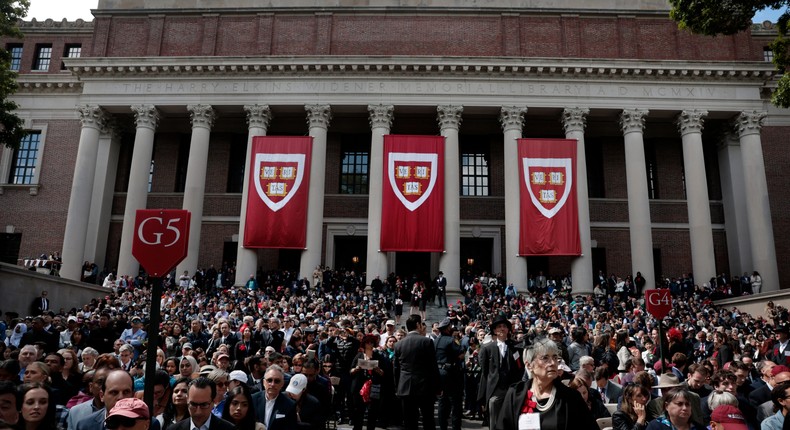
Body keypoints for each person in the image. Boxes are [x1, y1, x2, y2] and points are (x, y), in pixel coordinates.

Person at [497, 337, 596, 430]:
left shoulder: (570, 398)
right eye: (545, 358)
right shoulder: (515, 394)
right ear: (529, 365)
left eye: (555, 357)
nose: (552, 363)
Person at [393, 314, 440, 430]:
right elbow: (433, 366)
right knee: (428, 420)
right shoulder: (427, 342)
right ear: (418, 325)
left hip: (405, 387)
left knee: (409, 421)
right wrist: (438, 386)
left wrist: (397, 387)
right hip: (425, 387)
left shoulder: (398, 344)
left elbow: (396, 369)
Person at [477, 315, 524, 430]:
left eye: (504, 326)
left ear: (508, 329)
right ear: (494, 330)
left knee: (511, 418)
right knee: (494, 415)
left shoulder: (516, 348)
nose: (502, 329)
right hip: (495, 390)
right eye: (499, 327)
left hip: (511, 388)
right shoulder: (487, 349)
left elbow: (520, 368)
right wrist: (482, 397)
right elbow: (485, 373)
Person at [169, 378, 236, 430]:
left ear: (213, 402)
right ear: (187, 400)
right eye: (193, 404)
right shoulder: (173, 429)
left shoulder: (229, 428)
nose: (198, 412)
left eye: (204, 405)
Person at [350, 334, 385, 430]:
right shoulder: (359, 356)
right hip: (359, 386)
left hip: (373, 386)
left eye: (372, 343)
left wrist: (377, 369)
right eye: (368, 343)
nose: (370, 345)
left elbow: (383, 373)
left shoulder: (378, 356)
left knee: (372, 411)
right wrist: (357, 369)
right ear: (364, 344)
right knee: (358, 411)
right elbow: (351, 371)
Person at [434, 318, 463, 430]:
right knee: (456, 402)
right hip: (450, 374)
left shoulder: (435, 340)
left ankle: (443, 427)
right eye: (450, 327)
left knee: (442, 401)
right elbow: (460, 354)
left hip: (438, 373)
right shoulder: (451, 340)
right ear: (447, 329)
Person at [251, 365, 297, 430]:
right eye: (269, 380)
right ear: (264, 382)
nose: (272, 384)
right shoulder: (253, 399)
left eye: (277, 381)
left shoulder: (289, 405)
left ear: (282, 384)